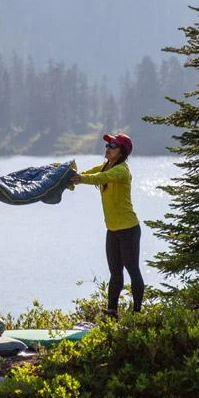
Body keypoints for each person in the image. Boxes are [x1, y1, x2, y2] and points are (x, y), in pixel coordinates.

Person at [70, 133, 145, 318]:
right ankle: (112, 312)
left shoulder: (121, 171)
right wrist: (70, 176)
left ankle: (137, 314)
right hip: (112, 230)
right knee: (115, 273)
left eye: (112, 146)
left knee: (133, 270)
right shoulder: (106, 166)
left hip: (128, 229)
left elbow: (100, 178)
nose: (108, 148)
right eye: (107, 145)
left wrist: (81, 179)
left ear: (122, 152)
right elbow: (91, 173)